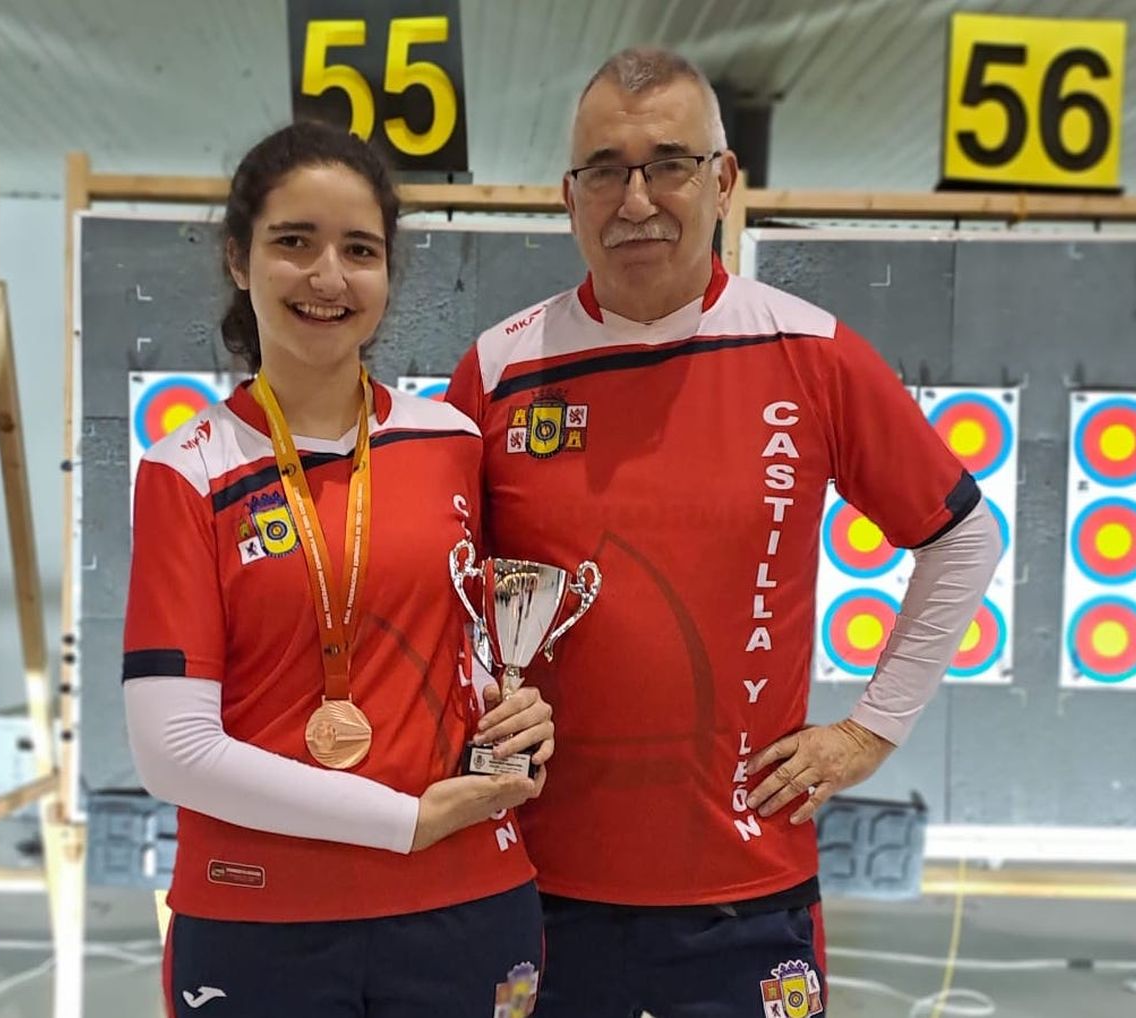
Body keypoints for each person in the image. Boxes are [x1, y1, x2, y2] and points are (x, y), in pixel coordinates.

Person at [446, 48, 1003, 1017]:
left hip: (749, 897)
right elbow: (438, 587)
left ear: (723, 180)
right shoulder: (497, 370)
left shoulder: (812, 352)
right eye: (604, 171)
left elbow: (965, 537)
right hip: (531, 884)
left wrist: (869, 731)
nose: (635, 201)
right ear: (567, 197)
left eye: (668, 163)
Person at [123, 121, 555, 1018]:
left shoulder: (451, 442)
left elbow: (465, 649)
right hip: (260, 919)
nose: (328, 277)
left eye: (360, 250)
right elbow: (174, 752)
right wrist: (406, 823)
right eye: (294, 242)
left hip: (468, 903)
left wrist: (515, 714)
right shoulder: (187, 471)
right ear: (239, 259)